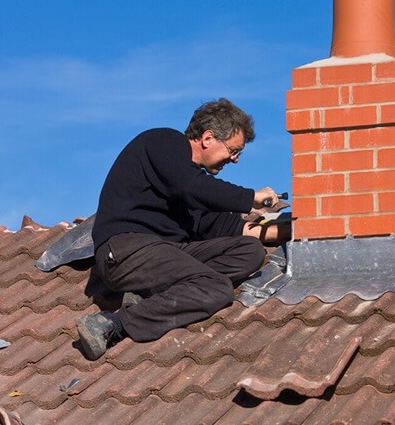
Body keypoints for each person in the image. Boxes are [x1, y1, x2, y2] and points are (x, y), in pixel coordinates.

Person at [76, 98, 289, 360]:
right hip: (127, 249)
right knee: (217, 288)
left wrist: (289, 230)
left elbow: (223, 225)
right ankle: (113, 325)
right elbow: (192, 187)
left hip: (168, 253)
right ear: (208, 138)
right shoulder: (163, 143)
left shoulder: (189, 186)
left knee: (249, 251)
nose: (234, 160)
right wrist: (251, 197)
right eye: (233, 151)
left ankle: (155, 294)